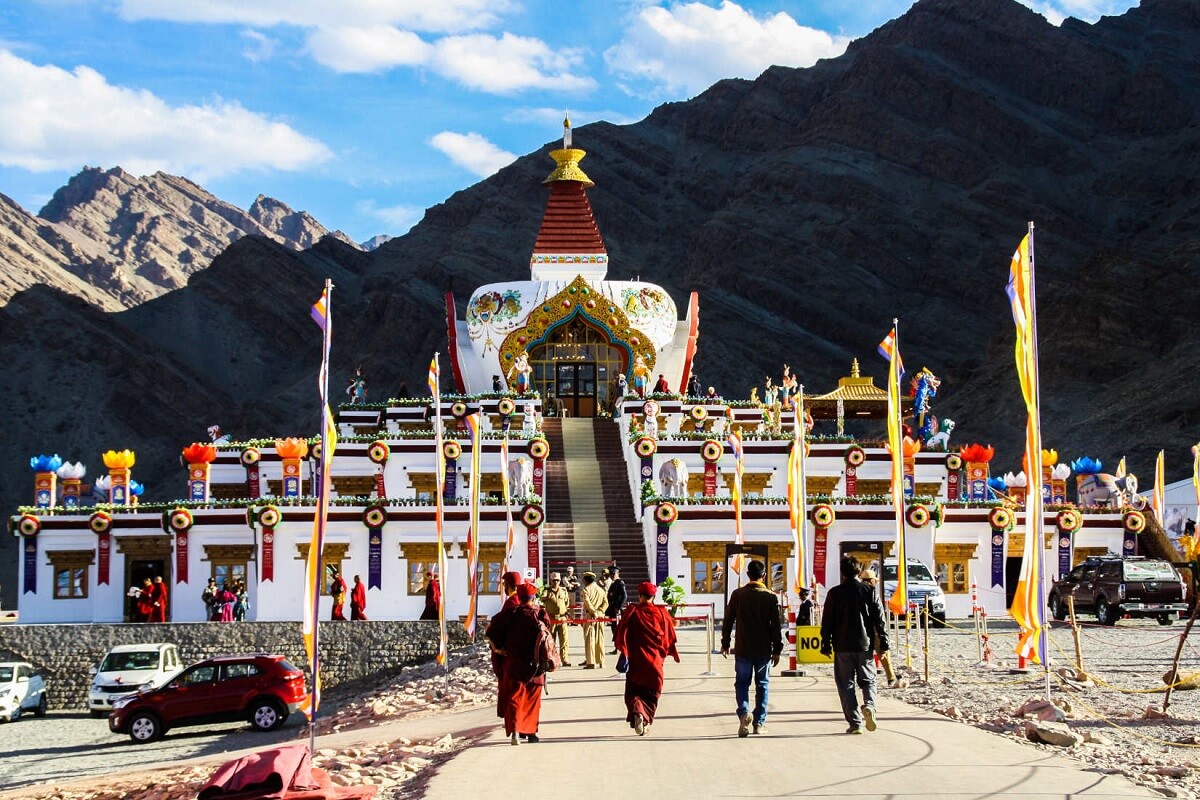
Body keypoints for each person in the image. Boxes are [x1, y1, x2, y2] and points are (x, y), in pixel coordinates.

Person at [821, 556, 889, 734]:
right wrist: (884, 642)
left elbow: (827, 621)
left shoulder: (834, 593)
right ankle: (870, 706)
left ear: (842, 572)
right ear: (859, 571)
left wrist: (825, 643)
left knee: (846, 684)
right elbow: (879, 620)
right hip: (864, 644)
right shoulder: (869, 590)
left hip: (842, 645)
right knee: (868, 680)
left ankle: (855, 722)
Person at [720, 559, 783, 737]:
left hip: (742, 649)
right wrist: (777, 649)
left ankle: (744, 713)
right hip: (763, 650)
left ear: (748, 575)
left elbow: (728, 620)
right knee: (762, 685)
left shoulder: (738, 595)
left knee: (742, 684)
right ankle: (758, 722)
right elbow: (776, 626)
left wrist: (725, 643)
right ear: (763, 576)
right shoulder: (770, 597)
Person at [486, 582, 548, 745]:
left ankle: (515, 731)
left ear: (518, 597)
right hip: (535, 666)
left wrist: (498, 649)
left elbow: (491, 631)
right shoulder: (540, 614)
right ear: (533, 597)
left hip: (514, 665)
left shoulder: (509, 614)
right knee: (532, 700)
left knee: (515, 698)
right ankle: (531, 733)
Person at [615, 582, 679, 736]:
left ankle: (638, 710)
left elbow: (620, 632)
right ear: (654, 596)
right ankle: (644, 719)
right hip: (655, 663)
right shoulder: (662, 613)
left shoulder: (633, 611)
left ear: (639, 595)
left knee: (633, 692)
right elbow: (669, 636)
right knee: (652, 695)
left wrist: (625, 650)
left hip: (637, 661)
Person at [859, 569, 896, 687]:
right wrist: (884, 638)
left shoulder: (856, 592)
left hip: (859, 630)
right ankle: (891, 677)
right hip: (873, 629)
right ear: (872, 581)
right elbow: (880, 618)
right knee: (883, 652)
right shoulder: (872, 592)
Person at [542, 572, 573, 666]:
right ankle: (552, 660)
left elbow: (567, 602)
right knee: (551, 641)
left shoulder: (563, 590)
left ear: (560, 581)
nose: (556, 582)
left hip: (562, 618)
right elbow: (541, 598)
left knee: (564, 640)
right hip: (551, 619)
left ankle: (565, 659)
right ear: (551, 581)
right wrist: (547, 596)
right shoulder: (547, 591)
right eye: (554, 580)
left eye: (557, 580)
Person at [581, 572, 609, 669]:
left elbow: (588, 603)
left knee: (589, 639)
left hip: (590, 616)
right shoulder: (601, 590)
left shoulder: (585, 590)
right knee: (600, 638)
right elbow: (606, 603)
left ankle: (591, 663)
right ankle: (601, 661)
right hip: (600, 616)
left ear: (586, 580)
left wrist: (594, 613)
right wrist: (600, 612)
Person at [607, 566, 627, 653]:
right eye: (610, 574)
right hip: (612, 608)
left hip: (617, 609)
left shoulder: (620, 583)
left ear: (617, 574)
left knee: (618, 629)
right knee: (614, 629)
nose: (611, 575)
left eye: (613, 574)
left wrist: (619, 607)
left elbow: (624, 596)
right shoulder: (613, 583)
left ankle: (621, 647)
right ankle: (616, 647)